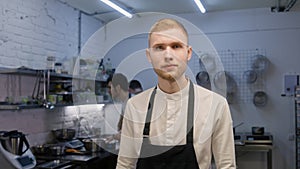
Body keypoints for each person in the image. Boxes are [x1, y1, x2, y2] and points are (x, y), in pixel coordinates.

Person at [116, 18, 236, 169]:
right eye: (159, 47)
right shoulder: (135, 106)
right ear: (149, 55)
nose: (168, 55)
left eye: (176, 46)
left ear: (188, 53)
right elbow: (125, 165)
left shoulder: (216, 105)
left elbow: (226, 166)